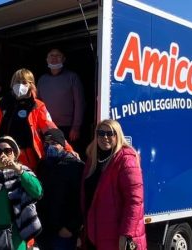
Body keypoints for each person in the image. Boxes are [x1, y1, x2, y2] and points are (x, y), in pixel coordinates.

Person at [0, 68, 75, 170]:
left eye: (24, 82)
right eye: (17, 82)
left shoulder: (37, 105)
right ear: (12, 83)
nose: (20, 85)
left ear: (31, 85)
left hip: (27, 158)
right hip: (3, 156)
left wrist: (68, 149)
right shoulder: (3, 105)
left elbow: (51, 129)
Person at [81, 119, 146, 250]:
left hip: (116, 236)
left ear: (118, 135)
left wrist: (126, 234)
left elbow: (134, 201)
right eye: (100, 133)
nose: (105, 137)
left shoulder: (126, 160)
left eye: (110, 133)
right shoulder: (92, 160)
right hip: (94, 235)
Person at [35, 129, 84, 250]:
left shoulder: (76, 166)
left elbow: (83, 200)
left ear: (62, 145)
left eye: (53, 143)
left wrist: (72, 227)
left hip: (64, 232)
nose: (49, 147)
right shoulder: (42, 166)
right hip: (44, 230)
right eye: (46, 144)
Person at [37, 49, 85, 146]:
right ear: (47, 59)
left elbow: (79, 103)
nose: (54, 58)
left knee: (68, 157)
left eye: (58, 55)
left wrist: (76, 127)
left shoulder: (72, 77)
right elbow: (38, 105)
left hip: (68, 128)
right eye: (51, 55)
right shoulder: (42, 79)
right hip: (47, 126)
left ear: (63, 59)